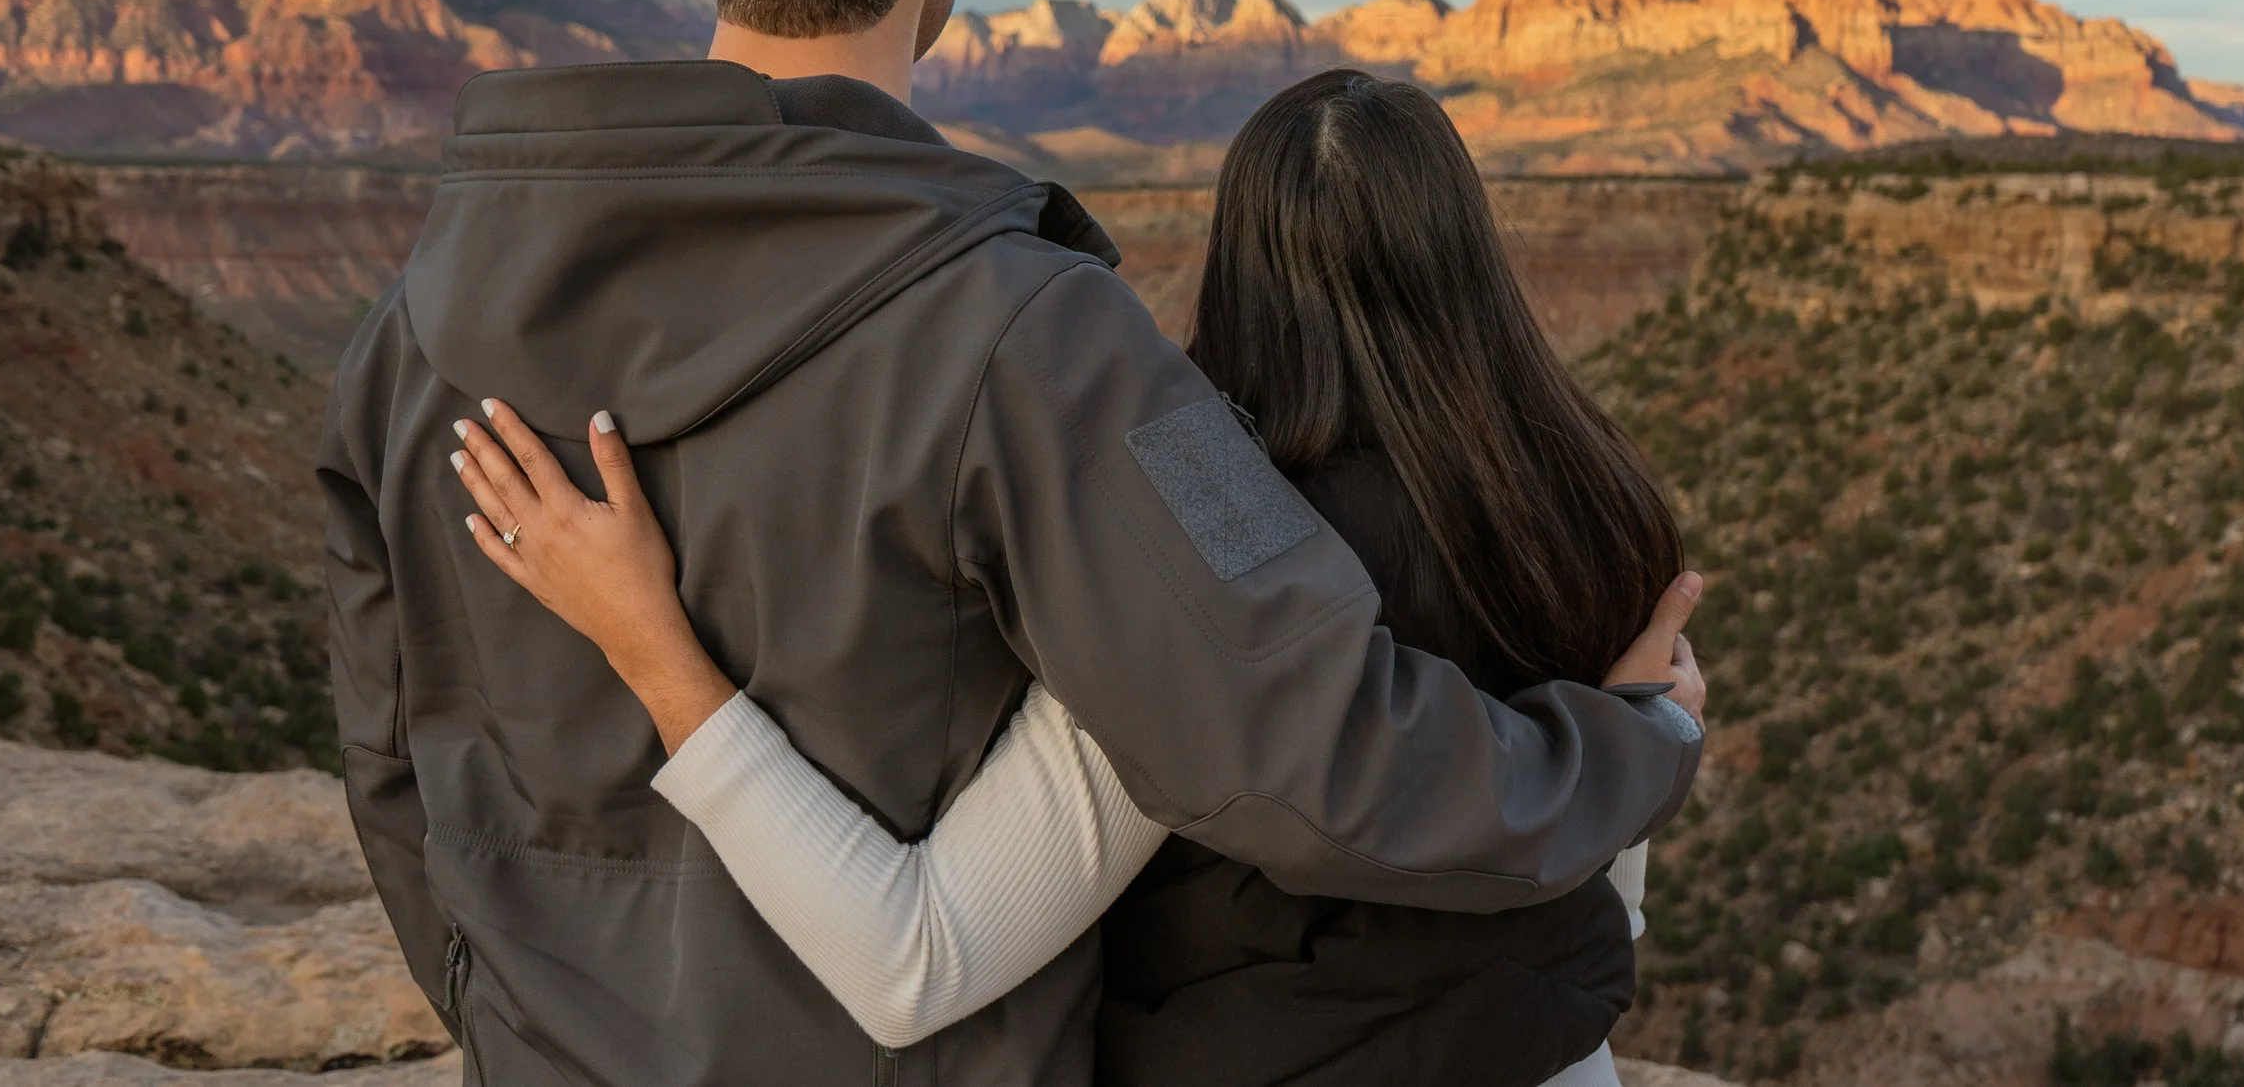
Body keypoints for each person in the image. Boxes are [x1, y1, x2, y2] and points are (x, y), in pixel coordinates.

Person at [321, 0, 1705, 1086]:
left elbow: (391, 763)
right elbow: (1312, 746)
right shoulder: (1047, 344)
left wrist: (498, 1008)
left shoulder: (410, 331)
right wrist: (1630, 744)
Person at [451, 68, 1704, 1086]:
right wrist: (1643, 732)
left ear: (1235, 265)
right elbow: (1607, 856)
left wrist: (653, 650)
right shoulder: (1595, 510)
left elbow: (910, 959)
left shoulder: (1209, 569)